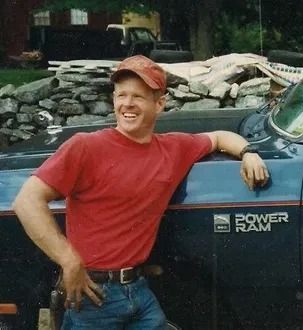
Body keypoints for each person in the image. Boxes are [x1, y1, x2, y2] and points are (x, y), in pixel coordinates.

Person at [12, 55, 269, 329]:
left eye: (138, 96)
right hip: (92, 297)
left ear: (160, 104)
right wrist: (68, 260)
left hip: (139, 292)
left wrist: (248, 152)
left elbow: (218, 137)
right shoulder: (85, 147)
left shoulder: (174, 149)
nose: (127, 104)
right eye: (121, 95)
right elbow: (27, 201)